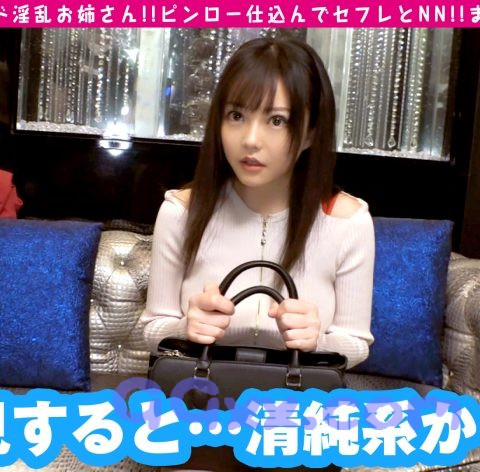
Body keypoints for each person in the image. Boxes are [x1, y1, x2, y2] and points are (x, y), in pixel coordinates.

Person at [141, 36, 374, 472]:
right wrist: (185, 326)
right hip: (200, 412)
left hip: (297, 419)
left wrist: (317, 339)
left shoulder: (347, 220)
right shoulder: (181, 211)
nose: (250, 140)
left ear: (310, 132)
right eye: (236, 115)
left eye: (277, 120)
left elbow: (356, 344)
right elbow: (151, 329)